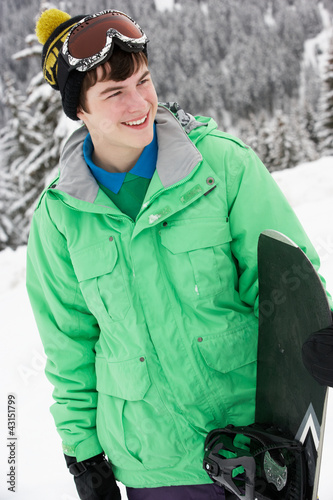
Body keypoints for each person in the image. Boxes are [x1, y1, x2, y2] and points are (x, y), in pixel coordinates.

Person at [26, 7, 333, 500]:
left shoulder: (219, 166)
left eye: (143, 81)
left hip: (257, 447)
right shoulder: (60, 218)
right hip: (155, 465)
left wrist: (318, 332)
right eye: (113, 92)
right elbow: (70, 351)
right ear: (79, 111)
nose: (138, 102)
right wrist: (82, 455)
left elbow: (287, 278)